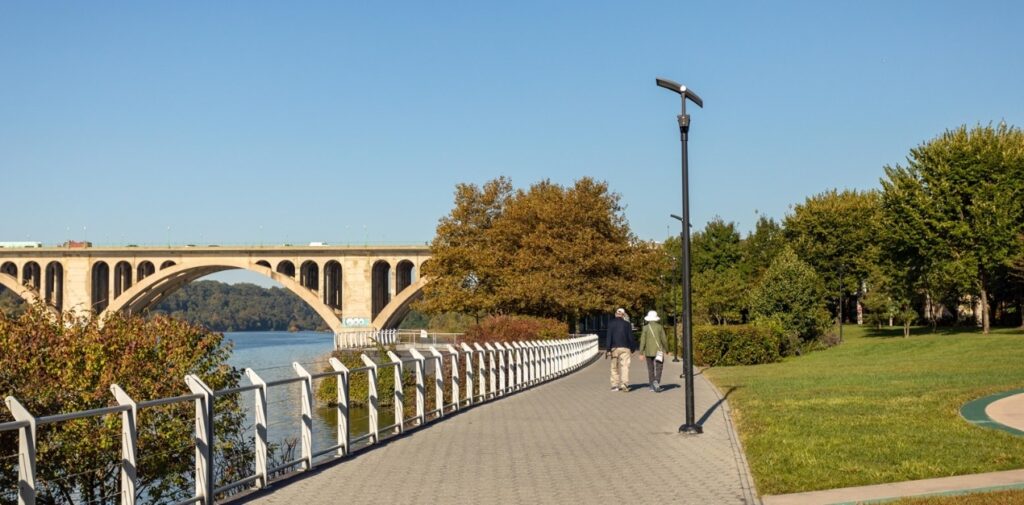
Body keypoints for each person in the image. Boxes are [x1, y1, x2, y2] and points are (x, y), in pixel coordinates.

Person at [606, 308, 635, 392]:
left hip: (614, 348)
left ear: (616, 314)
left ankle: (615, 385)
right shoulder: (627, 324)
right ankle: (624, 384)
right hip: (625, 348)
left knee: (614, 367)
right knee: (625, 366)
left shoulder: (611, 323)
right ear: (623, 315)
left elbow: (609, 336)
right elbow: (630, 337)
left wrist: (608, 349)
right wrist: (633, 348)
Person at [638, 310, 668, 392]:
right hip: (659, 351)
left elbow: (643, 341)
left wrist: (641, 352)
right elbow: (664, 339)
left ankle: (651, 386)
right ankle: (656, 382)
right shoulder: (660, 327)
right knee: (659, 367)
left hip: (648, 352)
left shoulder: (645, 328)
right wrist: (667, 349)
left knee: (650, 368)